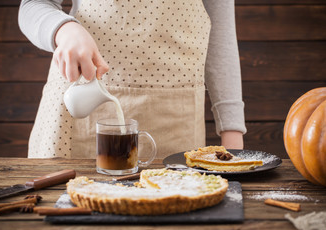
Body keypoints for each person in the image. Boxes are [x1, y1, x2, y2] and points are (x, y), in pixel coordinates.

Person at [18, 0, 246, 159]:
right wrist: (64, 29)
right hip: (83, 104)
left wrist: (232, 135)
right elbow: (33, 5)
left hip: (177, 120)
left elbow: (220, 34)